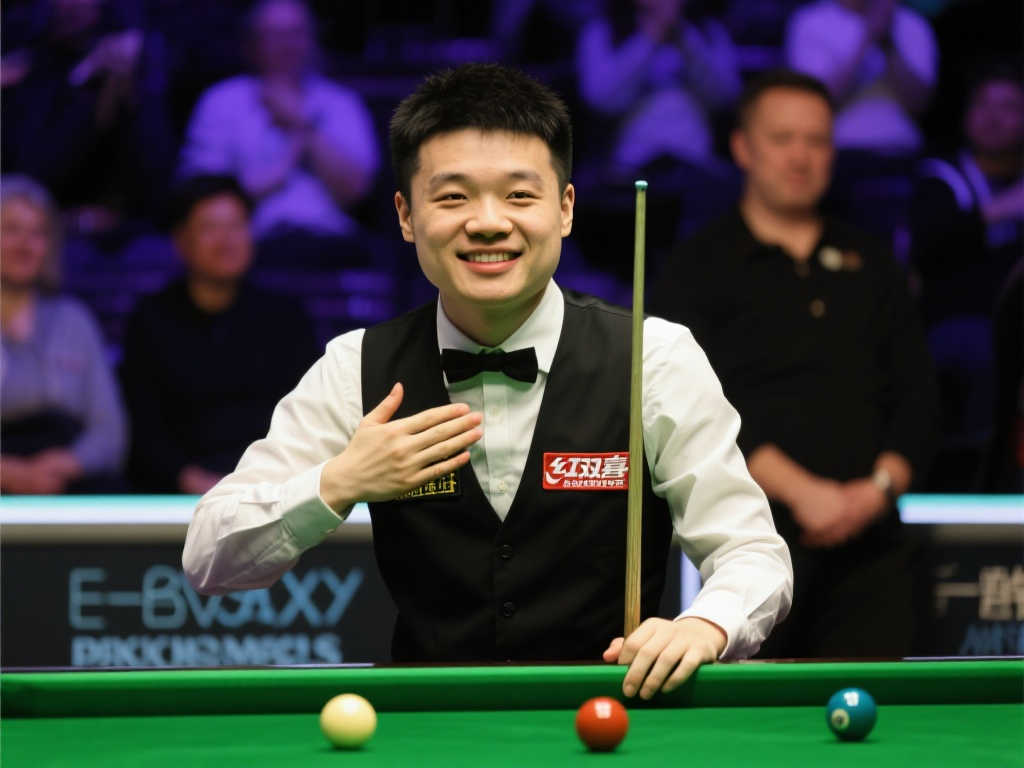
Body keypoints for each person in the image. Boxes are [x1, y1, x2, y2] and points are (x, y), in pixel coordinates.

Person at [182, 63, 792, 697]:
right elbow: (207, 557)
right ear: (405, 215)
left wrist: (706, 624)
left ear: (565, 209)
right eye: (453, 197)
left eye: (520, 196)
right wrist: (338, 483)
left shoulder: (654, 358)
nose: (489, 222)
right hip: (427, 725)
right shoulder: (355, 367)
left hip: (616, 721)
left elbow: (752, 552)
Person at [652, 70, 937, 658]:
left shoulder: (873, 260)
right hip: (747, 550)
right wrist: (803, 492)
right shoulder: (697, 266)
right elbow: (684, 403)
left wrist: (874, 492)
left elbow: (918, 394)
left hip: (874, 546)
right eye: (783, 139)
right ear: (743, 148)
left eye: (817, 140)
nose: (801, 156)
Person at [120, 175, 318, 495]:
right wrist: (188, 480)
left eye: (236, 226)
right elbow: (141, 427)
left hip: (275, 489)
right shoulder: (150, 320)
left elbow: (308, 417)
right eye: (210, 228)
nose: (226, 241)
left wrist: (268, 484)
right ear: (181, 241)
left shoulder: (286, 319)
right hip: (179, 494)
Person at [178, 0, 378, 265]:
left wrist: (301, 125)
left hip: (333, 241)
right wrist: (278, 172)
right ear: (251, 43)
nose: (287, 46)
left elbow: (357, 191)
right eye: (274, 35)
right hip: (247, 243)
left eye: (296, 34)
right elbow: (203, 195)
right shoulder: (221, 102)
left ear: (312, 40)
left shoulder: (341, 103)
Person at [909, 68, 1024, 491]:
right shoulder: (941, 176)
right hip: (955, 325)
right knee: (975, 348)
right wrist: (1001, 209)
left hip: (1016, 325)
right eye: (984, 105)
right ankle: (977, 485)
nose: (993, 117)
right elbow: (929, 248)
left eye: (1008, 107)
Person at [0, 175, 127, 493]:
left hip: (67, 480)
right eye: (11, 230)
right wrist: (10, 474)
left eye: (37, 233)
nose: (25, 245)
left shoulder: (74, 320)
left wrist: (67, 463)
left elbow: (109, 432)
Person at [576, 0, 741, 174]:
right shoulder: (603, 30)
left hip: (697, 163)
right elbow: (600, 99)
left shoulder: (710, 31)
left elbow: (726, 96)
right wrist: (650, 37)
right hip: (627, 165)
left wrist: (685, 37)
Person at [785, 0, 937, 154]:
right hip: (839, 151)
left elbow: (919, 105)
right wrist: (868, 36)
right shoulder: (811, 22)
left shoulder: (913, 24)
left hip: (903, 149)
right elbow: (816, 102)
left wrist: (887, 41)